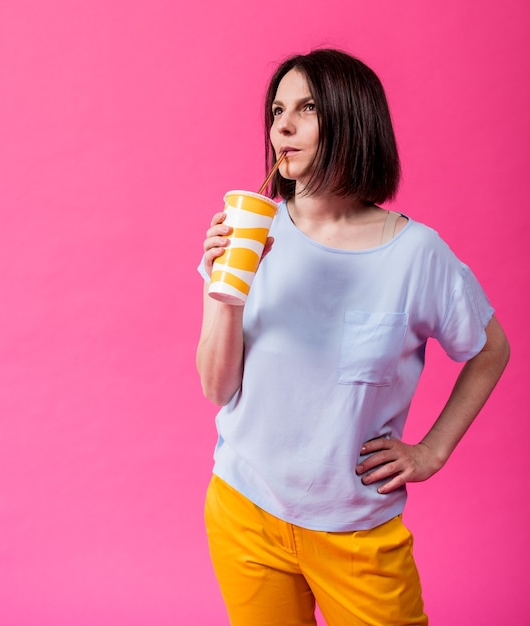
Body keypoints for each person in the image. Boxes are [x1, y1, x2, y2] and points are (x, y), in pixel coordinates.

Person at [196, 48, 510, 626]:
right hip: (243, 510)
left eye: (306, 108)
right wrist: (224, 289)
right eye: (276, 109)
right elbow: (218, 389)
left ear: (351, 117)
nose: (281, 126)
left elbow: (492, 349)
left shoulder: (416, 255)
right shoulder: (250, 232)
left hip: (354, 532)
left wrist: (432, 450)